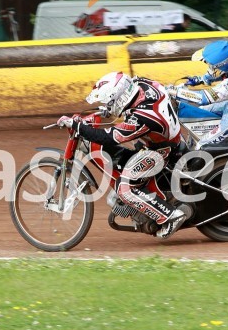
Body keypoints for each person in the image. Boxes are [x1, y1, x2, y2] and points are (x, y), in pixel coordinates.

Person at [57, 72, 192, 239]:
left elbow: (108, 137)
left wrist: (78, 126)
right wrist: (107, 109)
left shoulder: (142, 118)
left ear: (120, 98)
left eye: (108, 102)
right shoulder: (142, 84)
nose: (107, 104)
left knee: (124, 187)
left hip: (161, 152)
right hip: (164, 140)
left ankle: (170, 216)